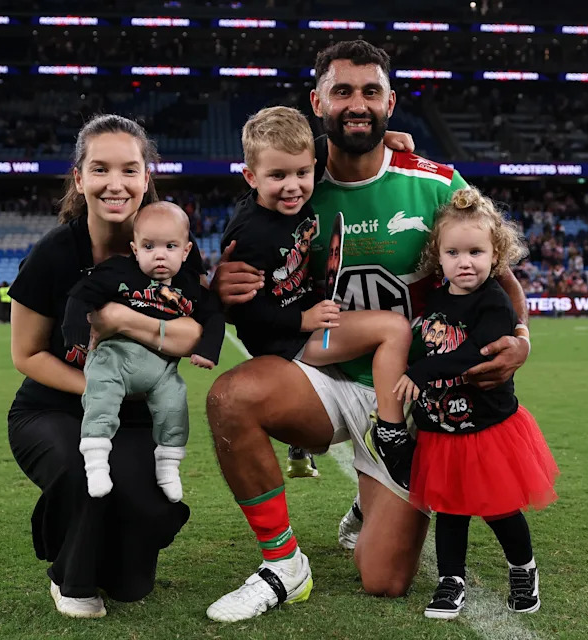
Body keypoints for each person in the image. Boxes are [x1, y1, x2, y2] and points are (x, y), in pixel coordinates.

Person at [206, 40, 531, 622]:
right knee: (232, 397)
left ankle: (368, 501)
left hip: (410, 394)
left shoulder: (435, 184)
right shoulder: (296, 180)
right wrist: (223, 285)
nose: (358, 104)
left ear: (390, 102)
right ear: (318, 103)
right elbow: (249, 270)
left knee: (384, 580)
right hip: (325, 373)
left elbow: (501, 276)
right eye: (342, 91)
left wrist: (522, 338)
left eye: (371, 91)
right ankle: (283, 562)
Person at [7, 114, 202, 619]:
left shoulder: (170, 249)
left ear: (146, 177)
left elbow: (192, 335)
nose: (115, 184)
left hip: (135, 416)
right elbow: (26, 355)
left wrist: (123, 320)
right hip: (51, 409)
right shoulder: (53, 254)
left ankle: (99, 540)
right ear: (79, 179)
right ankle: (68, 579)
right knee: (84, 470)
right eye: (100, 169)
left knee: (132, 580)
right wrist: (101, 390)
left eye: (129, 170)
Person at [221, 105, 414, 490]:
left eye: (301, 173)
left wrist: (382, 142)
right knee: (394, 329)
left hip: (300, 316)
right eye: (277, 176)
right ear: (250, 177)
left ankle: (300, 440)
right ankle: (390, 434)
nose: (293, 186)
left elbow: (326, 146)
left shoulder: (301, 165)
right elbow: (244, 313)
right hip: (284, 337)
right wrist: (301, 320)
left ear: (313, 165)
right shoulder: (250, 235)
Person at [392, 186, 558, 619]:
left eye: (476, 252)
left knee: (500, 508)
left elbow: (473, 354)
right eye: (453, 252)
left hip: (486, 427)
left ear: (495, 255)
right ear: (438, 256)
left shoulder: (494, 302)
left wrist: (420, 372)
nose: (464, 262)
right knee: (450, 511)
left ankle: (523, 569)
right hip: (440, 428)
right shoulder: (434, 298)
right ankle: (451, 581)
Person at [62, 201, 224, 503]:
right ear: (135, 249)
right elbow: (81, 294)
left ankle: (169, 466)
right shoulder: (118, 271)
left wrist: (208, 350)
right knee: (100, 396)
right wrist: (75, 332)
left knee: (175, 405)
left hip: (162, 369)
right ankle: (95, 462)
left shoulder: (190, 286)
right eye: (149, 246)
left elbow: (214, 316)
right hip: (113, 358)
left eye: (170, 246)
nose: (159, 255)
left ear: (186, 251)